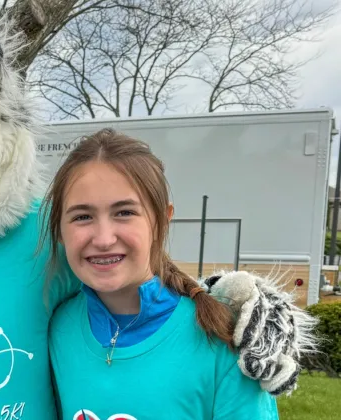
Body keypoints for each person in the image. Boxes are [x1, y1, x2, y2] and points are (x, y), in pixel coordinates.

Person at [42, 129, 279, 419]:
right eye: (82, 217)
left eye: (124, 212)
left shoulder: (223, 340)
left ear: (160, 221)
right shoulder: (58, 330)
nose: (103, 239)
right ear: (61, 232)